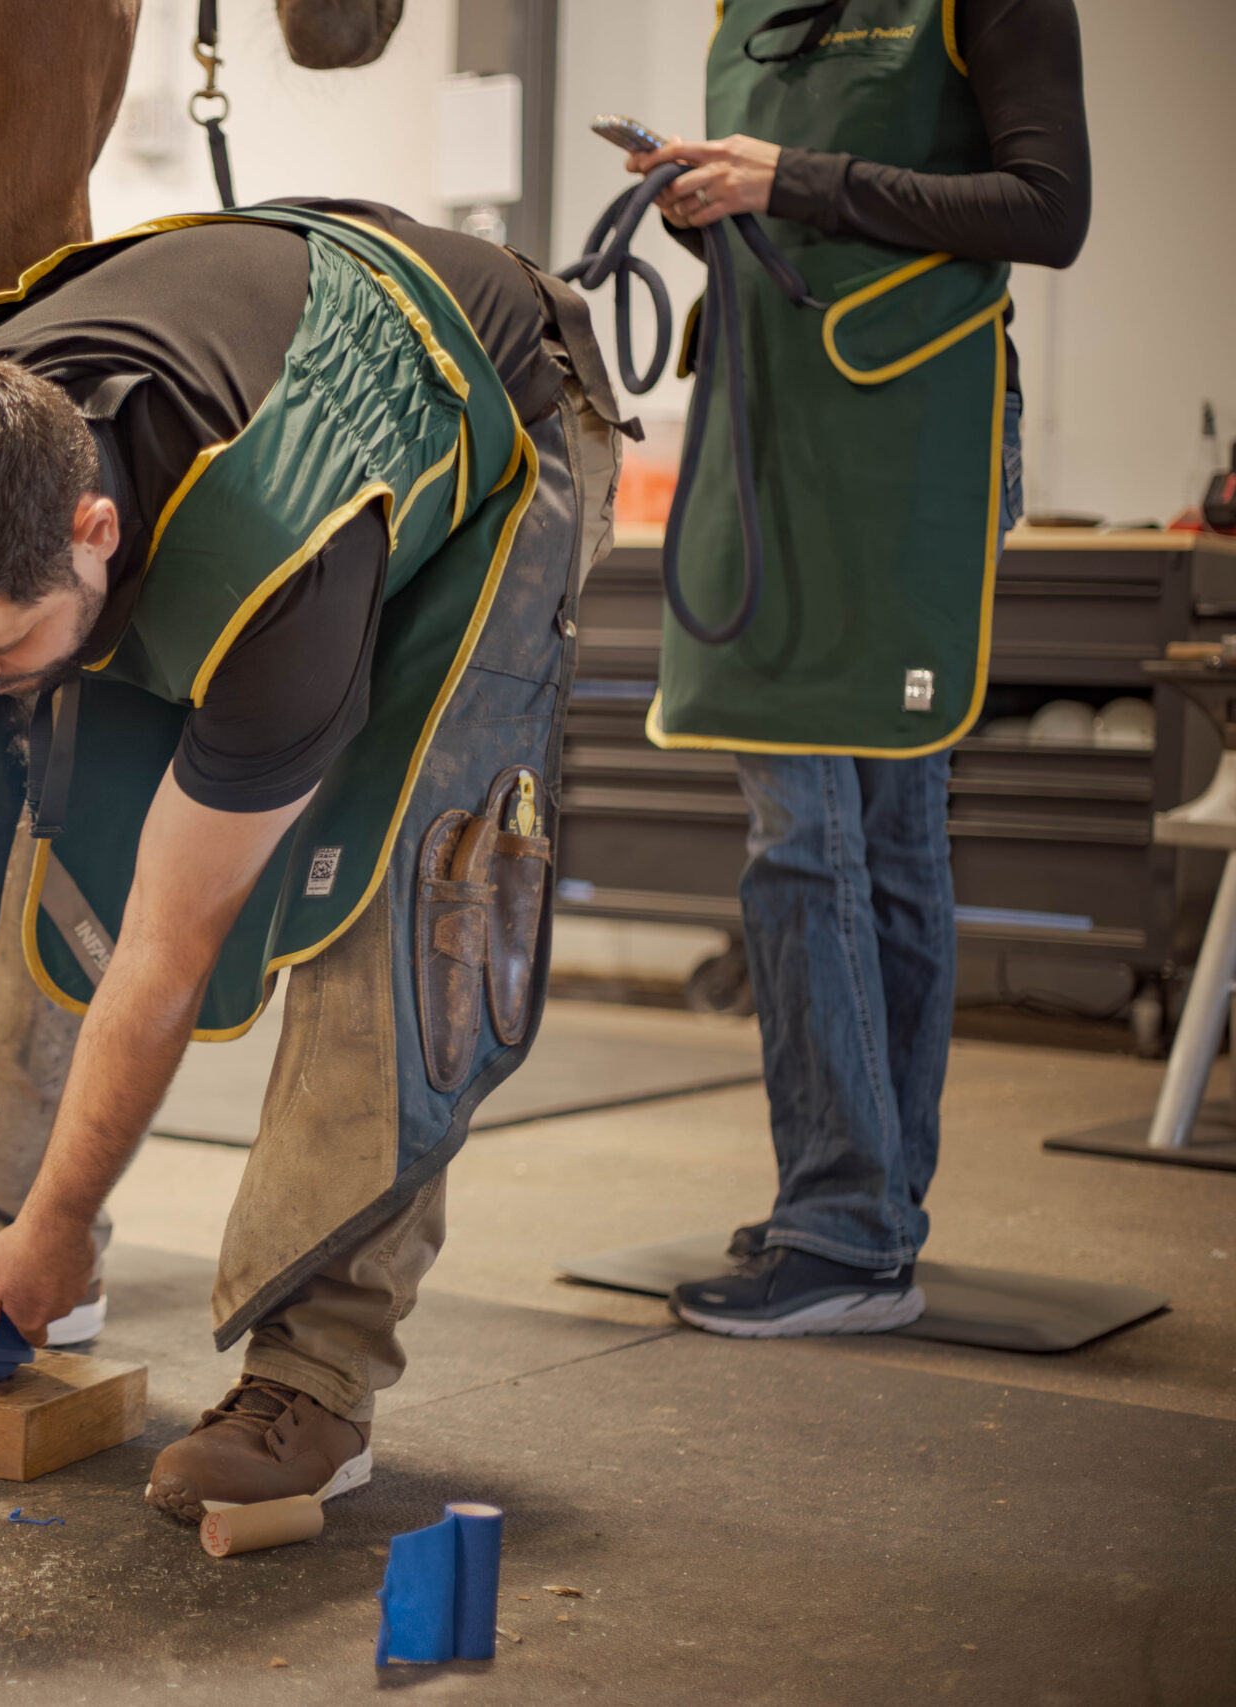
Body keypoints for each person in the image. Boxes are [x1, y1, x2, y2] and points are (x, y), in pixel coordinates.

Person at [0, 198, 626, 1519]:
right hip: (237, 404)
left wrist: (74, 1206)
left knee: (405, 903)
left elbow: (169, 942)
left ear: (90, 531)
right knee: (59, 838)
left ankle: (314, 1377)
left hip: (493, 433)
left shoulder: (282, 565)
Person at [625, 0, 1088, 1336]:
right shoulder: (744, 5)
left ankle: (845, 1221)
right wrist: (708, 201)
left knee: (827, 832)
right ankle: (865, 1207)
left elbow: (1048, 207)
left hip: (909, 425)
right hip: (775, 417)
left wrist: (793, 177)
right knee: (850, 832)